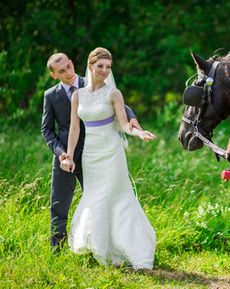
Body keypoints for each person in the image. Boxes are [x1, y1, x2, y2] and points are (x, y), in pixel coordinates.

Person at [60, 47, 156, 269]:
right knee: (95, 197)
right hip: (90, 154)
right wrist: (70, 156)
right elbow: (75, 129)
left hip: (112, 152)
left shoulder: (114, 94)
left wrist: (139, 132)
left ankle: (133, 249)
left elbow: (124, 124)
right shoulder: (78, 95)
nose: (104, 70)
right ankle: (99, 247)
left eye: (108, 67)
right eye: (100, 66)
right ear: (90, 66)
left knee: (117, 198)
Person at [41, 52, 142, 251]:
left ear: (71, 63)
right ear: (54, 75)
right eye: (61, 71)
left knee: (101, 200)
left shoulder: (91, 81)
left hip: (93, 154)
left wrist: (132, 119)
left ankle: (107, 245)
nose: (68, 72)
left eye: (68, 66)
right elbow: (46, 130)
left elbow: (118, 103)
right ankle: (57, 250)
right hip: (66, 155)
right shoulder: (50, 96)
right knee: (59, 203)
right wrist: (61, 153)